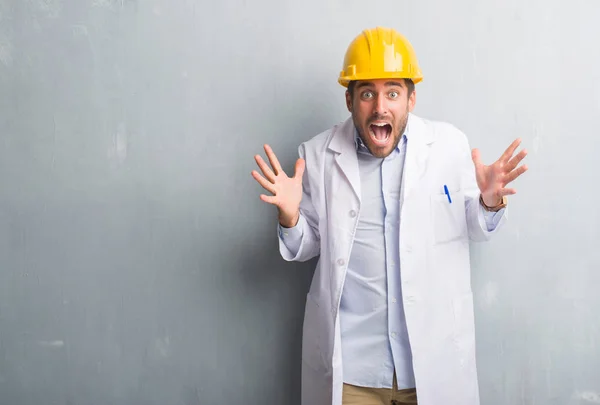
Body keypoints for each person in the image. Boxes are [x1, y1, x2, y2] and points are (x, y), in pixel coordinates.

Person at [251, 27, 528, 405]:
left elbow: (477, 227)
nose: (381, 107)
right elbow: (305, 246)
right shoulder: (316, 156)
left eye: (393, 92)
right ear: (349, 100)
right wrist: (289, 216)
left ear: (411, 98)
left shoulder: (448, 147)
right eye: (367, 93)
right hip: (352, 375)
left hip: (431, 365)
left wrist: (490, 202)